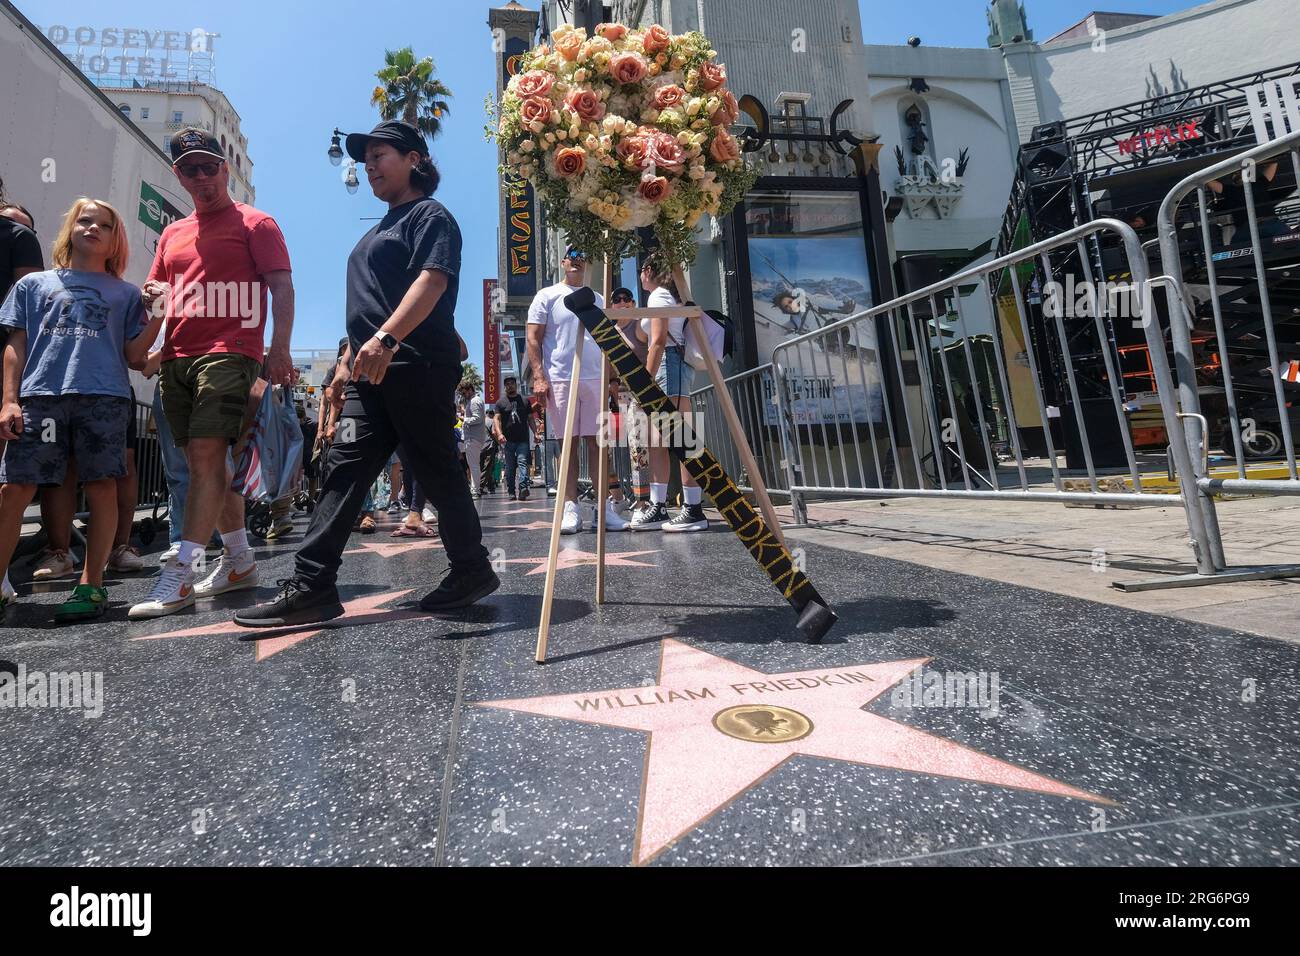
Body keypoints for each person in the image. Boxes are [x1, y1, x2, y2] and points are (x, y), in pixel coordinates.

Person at [235, 120, 499, 628]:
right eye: (366, 158)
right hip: (367, 372)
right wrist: (344, 367)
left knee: (438, 468)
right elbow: (365, 305)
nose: (370, 165)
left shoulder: (430, 217)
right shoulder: (377, 228)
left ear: (416, 159)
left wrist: (387, 338)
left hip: (414, 363)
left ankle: (471, 568)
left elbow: (433, 281)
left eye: (381, 155)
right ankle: (312, 586)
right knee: (344, 469)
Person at [129, 128, 295, 619]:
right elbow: (158, 294)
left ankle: (180, 572)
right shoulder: (173, 233)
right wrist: (148, 340)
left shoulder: (257, 223)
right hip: (178, 358)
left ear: (227, 170)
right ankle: (240, 560)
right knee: (208, 465)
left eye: (209, 166)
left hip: (232, 351)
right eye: (190, 169)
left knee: (204, 456)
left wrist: (279, 349)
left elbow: (281, 288)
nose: (201, 177)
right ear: (178, 175)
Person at [0, 198, 164, 622]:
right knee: (13, 488)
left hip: (104, 397)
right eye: (85, 221)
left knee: (102, 486)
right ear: (69, 229)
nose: (93, 229)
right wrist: (9, 399)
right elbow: (16, 345)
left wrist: (158, 318)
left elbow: (133, 356)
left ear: (115, 241)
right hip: (41, 397)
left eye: (105, 225)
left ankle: (91, 586)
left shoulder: (127, 293)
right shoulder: (33, 285)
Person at [527, 246, 626, 533]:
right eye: (571, 257)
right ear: (563, 261)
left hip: (594, 378)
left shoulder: (597, 298)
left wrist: (610, 379)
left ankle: (603, 509)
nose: (576, 262)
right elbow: (533, 337)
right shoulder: (547, 295)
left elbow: (606, 342)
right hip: (560, 377)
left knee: (597, 444)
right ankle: (570, 508)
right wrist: (539, 376)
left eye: (582, 257)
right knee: (567, 444)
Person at [629, 252, 708, 532]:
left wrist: (644, 383)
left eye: (641, 270)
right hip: (673, 365)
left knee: (678, 439)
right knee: (661, 440)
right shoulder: (666, 296)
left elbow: (658, 340)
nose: (640, 275)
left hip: (668, 364)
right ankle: (662, 506)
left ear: (648, 271)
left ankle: (692, 509)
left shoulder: (658, 296)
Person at [493, 375, 533, 500]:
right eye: (507, 384)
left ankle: (523, 488)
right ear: (505, 387)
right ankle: (511, 490)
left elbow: (531, 419)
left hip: (523, 439)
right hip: (508, 440)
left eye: (512, 383)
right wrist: (499, 434)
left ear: (516, 385)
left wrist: (536, 433)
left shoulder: (525, 401)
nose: (510, 385)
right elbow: (497, 419)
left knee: (522, 462)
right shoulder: (500, 402)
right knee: (510, 467)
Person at [459, 380, 485, 498]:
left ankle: (475, 489)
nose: (464, 396)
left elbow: (478, 418)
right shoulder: (473, 401)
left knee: (473, 465)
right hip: (473, 437)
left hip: (473, 437)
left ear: (470, 390)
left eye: (464, 393)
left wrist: (464, 419)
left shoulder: (474, 401)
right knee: (473, 464)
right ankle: (475, 488)